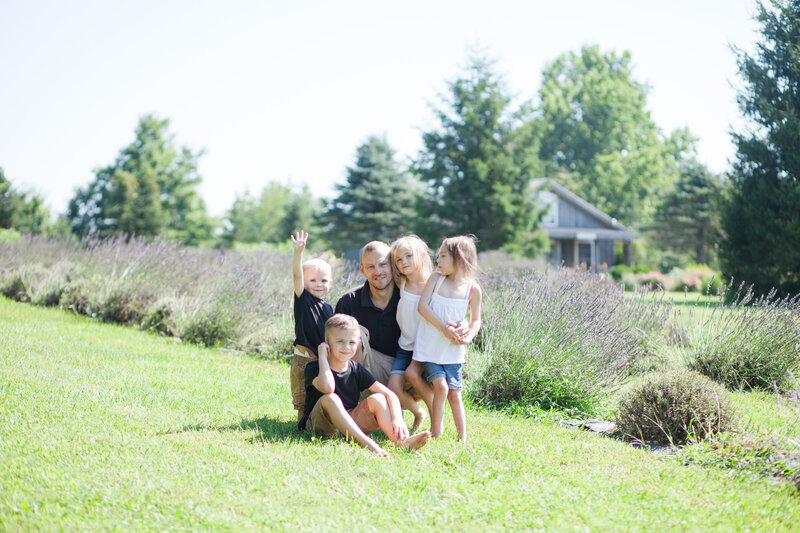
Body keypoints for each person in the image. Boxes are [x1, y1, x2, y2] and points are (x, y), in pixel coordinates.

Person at [298, 314, 430, 456]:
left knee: (379, 398)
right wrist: (322, 356)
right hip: (320, 424)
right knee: (331, 398)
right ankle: (368, 444)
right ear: (327, 342)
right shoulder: (314, 368)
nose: (346, 347)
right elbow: (328, 387)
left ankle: (401, 441)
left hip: (349, 423)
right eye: (340, 341)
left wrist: (397, 419)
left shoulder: (356, 369)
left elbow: (389, 394)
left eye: (352, 342)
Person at [413, 235, 482, 443]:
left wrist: (467, 335)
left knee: (455, 394)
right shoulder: (436, 279)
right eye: (437, 256)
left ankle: (462, 438)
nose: (438, 261)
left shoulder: (472, 289)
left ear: (459, 259)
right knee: (441, 387)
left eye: (443, 256)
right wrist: (444, 328)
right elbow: (422, 307)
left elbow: (476, 320)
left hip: (453, 350)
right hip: (431, 348)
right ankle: (436, 433)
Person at [335, 241, 400, 386]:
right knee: (352, 338)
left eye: (383, 264)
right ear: (362, 270)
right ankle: (357, 402)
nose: (378, 271)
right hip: (369, 374)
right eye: (370, 267)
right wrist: (354, 330)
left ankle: (435, 405)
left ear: (392, 265)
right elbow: (332, 342)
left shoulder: (408, 297)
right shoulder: (349, 301)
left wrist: (461, 324)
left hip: (406, 369)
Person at [387, 235, 434, 431]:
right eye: (398, 259)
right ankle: (418, 412)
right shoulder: (402, 283)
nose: (403, 262)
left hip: (426, 346)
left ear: (422, 255)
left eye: (408, 256)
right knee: (393, 387)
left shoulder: (433, 284)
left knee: (413, 375)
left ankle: (436, 418)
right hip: (405, 346)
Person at [289, 230, 334, 421]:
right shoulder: (303, 299)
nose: (318, 284)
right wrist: (298, 253)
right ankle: (300, 425)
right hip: (303, 359)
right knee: (302, 397)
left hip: (320, 360)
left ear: (330, 283)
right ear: (305, 283)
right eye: (313, 280)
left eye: (323, 280)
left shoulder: (328, 308)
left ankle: (313, 422)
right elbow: (297, 276)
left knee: (316, 396)